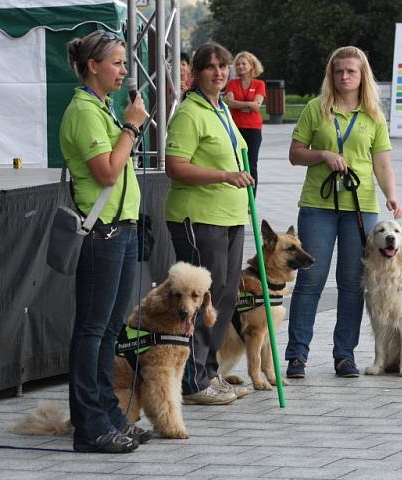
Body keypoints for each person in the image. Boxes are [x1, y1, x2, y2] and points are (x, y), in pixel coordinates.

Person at [284, 45, 402, 379]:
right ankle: (297, 356)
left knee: (352, 283)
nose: (344, 77)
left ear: (362, 75)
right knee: (311, 279)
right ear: (331, 75)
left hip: (359, 207)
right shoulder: (315, 109)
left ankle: (344, 355)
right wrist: (322, 154)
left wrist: (391, 196)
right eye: (339, 71)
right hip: (317, 206)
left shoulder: (373, 116)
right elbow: (295, 154)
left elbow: (382, 162)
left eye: (351, 71)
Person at [59, 30, 149, 453]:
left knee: (111, 328)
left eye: (124, 62)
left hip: (124, 228)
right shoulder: (83, 111)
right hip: (102, 232)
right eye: (116, 62)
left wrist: (125, 124)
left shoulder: (103, 108)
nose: (124, 70)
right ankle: (89, 425)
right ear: (92, 66)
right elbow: (108, 173)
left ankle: (108, 413)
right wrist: (131, 127)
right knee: (92, 330)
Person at [164, 42, 254, 404]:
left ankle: (208, 371)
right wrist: (224, 175)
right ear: (196, 73)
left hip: (230, 216)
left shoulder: (221, 109)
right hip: (198, 217)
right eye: (210, 67)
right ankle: (192, 380)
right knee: (200, 300)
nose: (219, 72)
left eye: (223, 66)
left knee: (225, 298)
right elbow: (176, 166)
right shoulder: (190, 113)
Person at [225, 51, 266, 194]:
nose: (240, 66)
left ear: (252, 66)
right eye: (238, 64)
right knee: (235, 164)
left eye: (244, 63)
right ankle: (237, 195)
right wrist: (248, 105)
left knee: (251, 164)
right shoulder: (231, 83)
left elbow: (257, 106)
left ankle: (251, 199)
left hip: (253, 129)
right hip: (235, 128)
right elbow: (229, 103)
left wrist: (240, 104)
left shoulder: (259, 84)